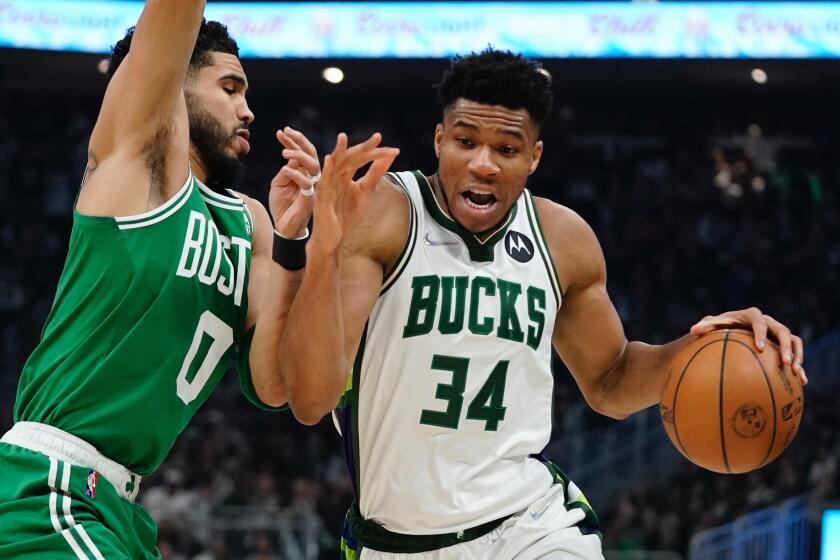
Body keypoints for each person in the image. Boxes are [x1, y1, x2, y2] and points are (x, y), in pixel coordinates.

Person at [277, 48, 808, 559]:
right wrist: (325, 249)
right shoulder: (386, 214)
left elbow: (612, 381)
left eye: (507, 149)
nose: (483, 163)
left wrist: (705, 347)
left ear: (534, 157)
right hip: (395, 541)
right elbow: (310, 397)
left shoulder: (562, 239)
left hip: (527, 527)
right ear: (439, 140)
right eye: (465, 141)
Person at [0, 2, 397, 558]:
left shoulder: (252, 223)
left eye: (248, 93)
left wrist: (294, 241)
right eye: (230, 88)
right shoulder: (137, 163)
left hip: (118, 505)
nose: (248, 109)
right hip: (46, 486)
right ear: (173, 85)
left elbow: (273, 386)